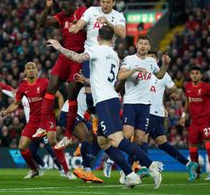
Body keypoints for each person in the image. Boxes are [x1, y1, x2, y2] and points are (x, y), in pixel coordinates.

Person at [47, 25, 163, 189]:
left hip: (105, 102)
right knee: (103, 142)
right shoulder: (114, 55)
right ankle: (130, 175)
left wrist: (60, 47)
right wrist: (86, 81)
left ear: (98, 38)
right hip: (109, 98)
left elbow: (78, 58)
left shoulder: (97, 50)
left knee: (117, 140)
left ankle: (151, 166)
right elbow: (104, 80)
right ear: (112, 39)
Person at [67, 0, 126, 147]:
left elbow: (122, 34)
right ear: (99, 1)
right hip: (90, 55)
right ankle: (95, 117)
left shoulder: (118, 16)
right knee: (89, 96)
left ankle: (104, 120)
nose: (105, 5)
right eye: (103, 2)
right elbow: (81, 23)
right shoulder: (92, 11)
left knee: (103, 92)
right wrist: (76, 28)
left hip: (106, 58)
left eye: (108, 2)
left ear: (113, 2)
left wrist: (108, 22)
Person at [0, 62, 75, 179]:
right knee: (22, 147)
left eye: (33, 68)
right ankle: (34, 170)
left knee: (52, 141)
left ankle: (66, 171)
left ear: (36, 70)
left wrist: (60, 111)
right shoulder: (23, 86)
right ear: (25, 72)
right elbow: (15, 103)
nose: (31, 70)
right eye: (28, 68)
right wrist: (6, 111)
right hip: (33, 120)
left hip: (47, 117)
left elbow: (59, 96)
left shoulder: (44, 82)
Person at [33, 0, 86, 150]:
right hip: (64, 56)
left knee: (71, 96)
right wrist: (47, 8)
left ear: (73, 4)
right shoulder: (63, 16)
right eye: (61, 8)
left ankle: (68, 135)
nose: (63, 10)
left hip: (78, 57)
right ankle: (42, 126)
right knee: (51, 87)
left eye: (65, 7)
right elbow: (41, 24)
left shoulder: (83, 12)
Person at [143, 52, 199, 182]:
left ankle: (142, 167)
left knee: (140, 138)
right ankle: (189, 164)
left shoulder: (162, 75)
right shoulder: (142, 74)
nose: (150, 61)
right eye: (148, 58)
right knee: (162, 143)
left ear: (156, 61)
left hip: (153, 113)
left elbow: (177, 90)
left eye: (152, 58)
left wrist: (176, 94)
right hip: (151, 112)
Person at [117, 36, 170, 167]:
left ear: (149, 47)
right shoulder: (129, 59)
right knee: (127, 135)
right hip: (130, 102)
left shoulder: (151, 61)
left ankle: (130, 169)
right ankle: (111, 159)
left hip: (145, 105)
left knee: (140, 139)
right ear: (136, 45)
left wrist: (165, 65)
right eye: (140, 43)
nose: (143, 46)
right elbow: (120, 76)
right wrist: (134, 70)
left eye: (146, 44)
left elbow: (159, 75)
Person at [180, 66, 210, 180]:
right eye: (192, 73)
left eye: (197, 73)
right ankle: (197, 172)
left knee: (208, 143)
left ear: (201, 75)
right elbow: (188, 101)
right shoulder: (188, 87)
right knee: (192, 145)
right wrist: (184, 115)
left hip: (205, 120)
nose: (194, 75)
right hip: (194, 121)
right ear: (190, 75)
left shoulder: (206, 87)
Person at [57, 86, 103, 183]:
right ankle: (87, 171)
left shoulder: (98, 88)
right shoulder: (90, 81)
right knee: (86, 138)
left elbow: (88, 110)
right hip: (68, 113)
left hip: (80, 116)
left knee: (98, 140)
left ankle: (82, 167)